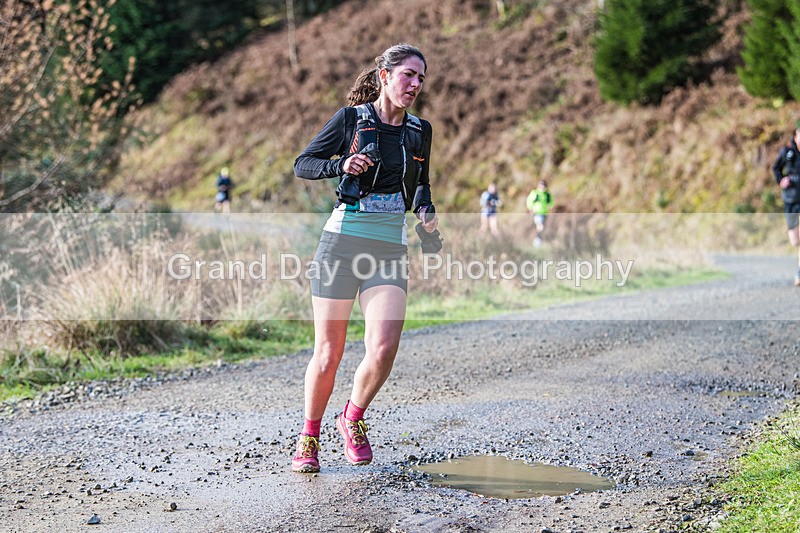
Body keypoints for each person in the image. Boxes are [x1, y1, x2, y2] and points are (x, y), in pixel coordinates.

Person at [291, 43, 438, 473]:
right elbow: (304, 162)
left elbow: (421, 184)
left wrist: (427, 217)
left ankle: (351, 418)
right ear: (385, 75)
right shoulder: (351, 120)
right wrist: (342, 164)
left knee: (384, 347)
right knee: (328, 353)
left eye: (421, 78)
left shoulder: (419, 130)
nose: (415, 84)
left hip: (389, 247)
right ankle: (309, 436)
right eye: (409, 74)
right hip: (343, 242)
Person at [772, 127, 800, 286]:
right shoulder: (787, 152)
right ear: (796, 137)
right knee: (795, 241)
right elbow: (775, 168)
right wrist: (781, 180)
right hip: (790, 200)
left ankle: (799, 273)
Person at [526, 180, 553, 247]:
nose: (542, 187)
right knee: (540, 226)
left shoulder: (547, 194)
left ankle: (538, 239)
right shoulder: (535, 193)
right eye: (541, 185)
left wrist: (550, 206)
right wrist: (530, 208)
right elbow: (529, 200)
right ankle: (537, 241)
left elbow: (551, 202)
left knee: (541, 228)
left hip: (544, 213)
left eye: (543, 186)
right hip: (537, 213)